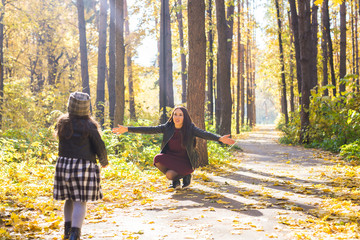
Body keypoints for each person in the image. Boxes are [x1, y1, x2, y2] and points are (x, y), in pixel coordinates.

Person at [112, 106, 235, 189]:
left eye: (180, 115)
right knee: (158, 160)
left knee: (170, 175)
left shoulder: (190, 128)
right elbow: (149, 129)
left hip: (186, 162)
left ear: (184, 117)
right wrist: (127, 129)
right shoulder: (168, 127)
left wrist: (219, 138)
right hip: (171, 159)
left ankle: (186, 176)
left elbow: (204, 134)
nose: (177, 117)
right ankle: (176, 181)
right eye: (175, 114)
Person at [53, 92, 108, 240]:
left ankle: (67, 231)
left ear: (70, 105)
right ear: (86, 107)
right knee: (80, 201)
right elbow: (99, 145)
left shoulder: (62, 122)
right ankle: (75, 234)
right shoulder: (89, 125)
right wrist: (104, 161)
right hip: (83, 166)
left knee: (69, 199)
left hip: (64, 164)